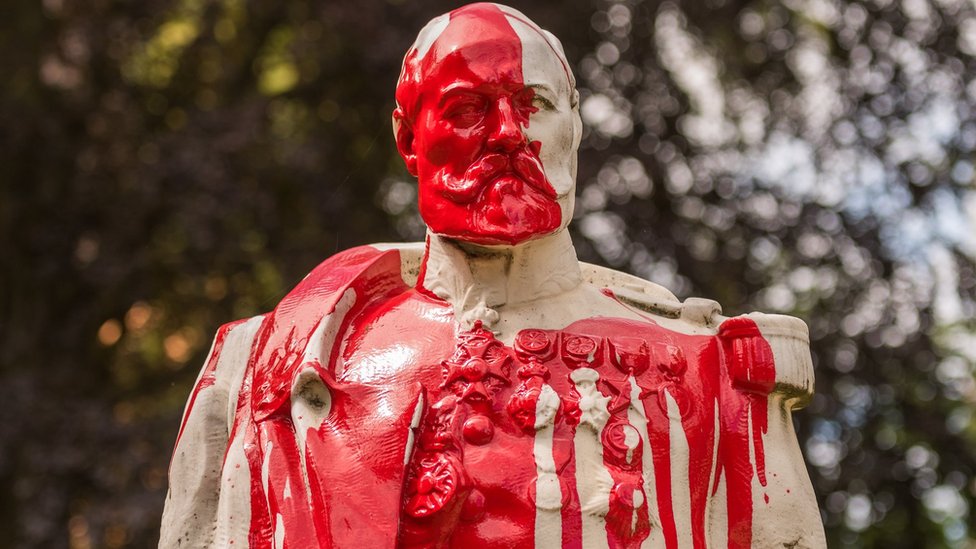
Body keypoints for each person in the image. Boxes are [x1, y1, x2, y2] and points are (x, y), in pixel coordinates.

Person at [160, 4, 826, 548]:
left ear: (576, 125)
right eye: (468, 108)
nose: (511, 133)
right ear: (409, 137)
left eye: (535, 104)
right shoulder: (260, 375)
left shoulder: (717, 373)